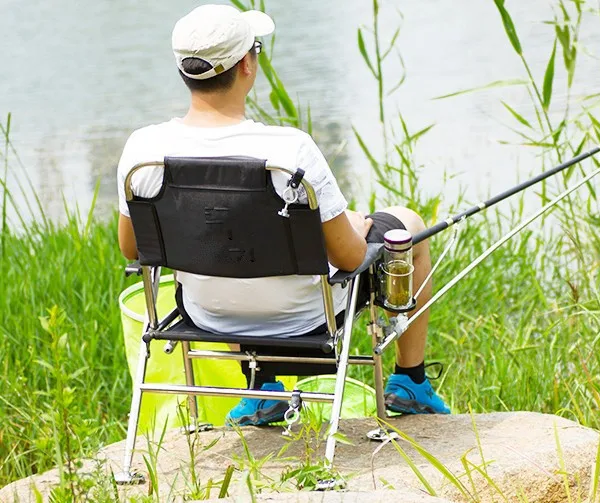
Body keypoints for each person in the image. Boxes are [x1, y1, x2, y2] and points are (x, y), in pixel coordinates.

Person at [116, 4, 449, 426]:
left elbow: (133, 247)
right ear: (246, 67)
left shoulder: (142, 151)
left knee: (227, 244)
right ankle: (411, 382)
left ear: (183, 70)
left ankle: (261, 388)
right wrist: (358, 226)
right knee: (410, 225)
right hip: (307, 317)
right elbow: (349, 260)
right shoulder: (289, 151)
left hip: (207, 313)